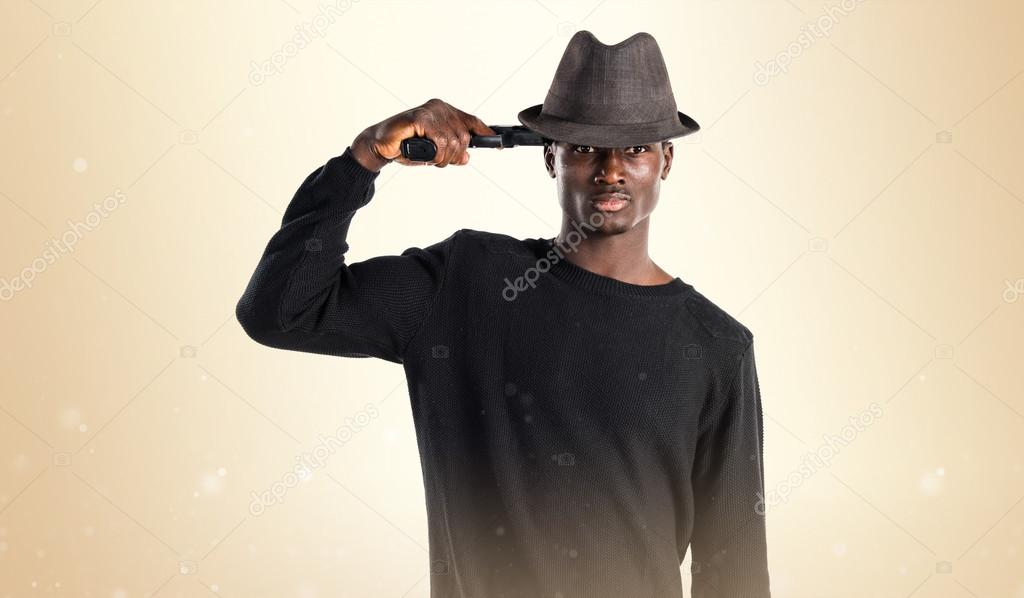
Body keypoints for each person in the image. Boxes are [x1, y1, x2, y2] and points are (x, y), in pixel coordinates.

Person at [237, 30, 771, 598]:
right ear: (550, 158)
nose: (612, 170)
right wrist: (364, 157)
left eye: (636, 149)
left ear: (666, 160)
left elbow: (732, 566)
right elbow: (280, 312)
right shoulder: (466, 281)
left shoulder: (716, 345)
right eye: (586, 147)